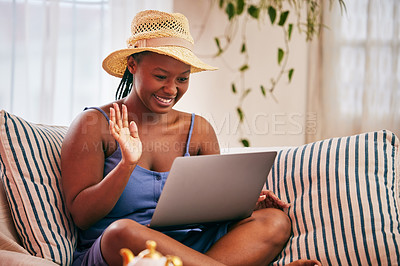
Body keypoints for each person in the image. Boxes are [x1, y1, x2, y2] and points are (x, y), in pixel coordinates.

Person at [61, 10, 320, 266]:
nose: (172, 89)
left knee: (274, 221)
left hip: (191, 249)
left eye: (183, 79)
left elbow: (212, 211)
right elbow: (82, 216)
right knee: (121, 232)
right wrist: (126, 165)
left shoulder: (198, 129)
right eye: (160, 77)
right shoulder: (94, 124)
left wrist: (242, 204)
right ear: (132, 65)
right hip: (125, 251)